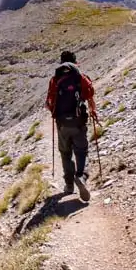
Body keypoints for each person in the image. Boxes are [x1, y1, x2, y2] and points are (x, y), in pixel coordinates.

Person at [45, 50, 98, 202]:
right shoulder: (80, 77)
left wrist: (55, 113)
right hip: (78, 122)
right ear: (75, 62)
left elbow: (49, 103)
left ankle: (69, 185)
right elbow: (90, 95)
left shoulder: (55, 79)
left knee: (65, 153)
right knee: (81, 151)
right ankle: (81, 176)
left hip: (62, 123)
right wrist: (93, 111)